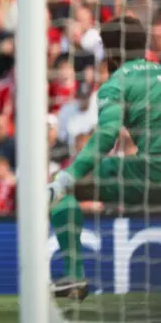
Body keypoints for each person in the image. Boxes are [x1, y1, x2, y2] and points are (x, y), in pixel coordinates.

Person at [48, 15, 161, 300]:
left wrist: (68, 176)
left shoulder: (116, 84)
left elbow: (106, 136)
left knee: (62, 189)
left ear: (110, 53)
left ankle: (73, 277)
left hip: (154, 172)